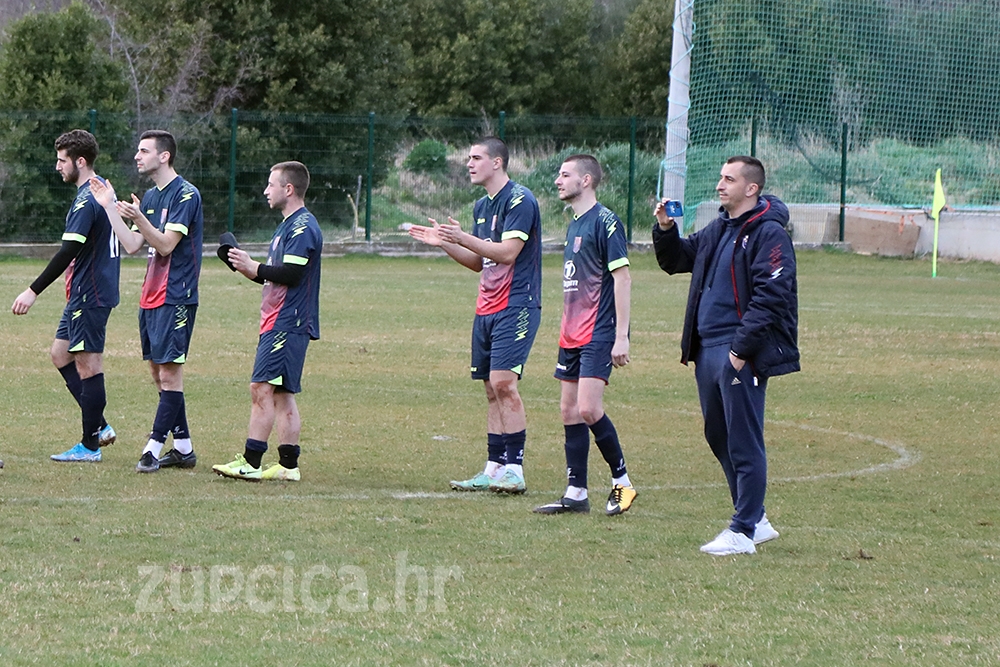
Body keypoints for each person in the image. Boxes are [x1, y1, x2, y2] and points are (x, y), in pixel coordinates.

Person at [653, 155, 798, 556]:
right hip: (707, 349)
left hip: (738, 352)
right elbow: (678, 260)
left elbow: (773, 295)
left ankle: (742, 530)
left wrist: (740, 350)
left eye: (729, 179)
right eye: (720, 177)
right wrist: (666, 229)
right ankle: (757, 520)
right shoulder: (719, 227)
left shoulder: (769, 233)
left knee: (743, 440)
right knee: (718, 435)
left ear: (751, 188)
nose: (720, 185)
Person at [408, 137, 542, 494]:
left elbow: (508, 253)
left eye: (476, 157)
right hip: (487, 307)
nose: (469, 163)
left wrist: (462, 236)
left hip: (517, 304)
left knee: (504, 383)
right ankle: (493, 468)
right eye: (469, 157)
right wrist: (445, 242)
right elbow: (479, 261)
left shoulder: (520, 200)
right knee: (490, 389)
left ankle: (515, 470)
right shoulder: (482, 206)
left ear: (497, 162)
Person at [89, 130, 203, 473]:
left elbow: (166, 245)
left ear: (164, 156)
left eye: (144, 151)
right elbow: (132, 245)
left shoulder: (186, 194)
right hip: (151, 295)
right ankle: (183, 448)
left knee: (169, 373)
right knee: (158, 373)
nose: (137, 156)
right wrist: (109, 207)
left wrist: (139, 217)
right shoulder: (152, 196)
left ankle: (152, 448)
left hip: (176, 295)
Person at [533, 155, 638, 516]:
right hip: (571, 332)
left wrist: (621, 336)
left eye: (565, 174)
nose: (558, 180)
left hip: (598, 330)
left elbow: (623, 278)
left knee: (589, 408)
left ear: (587, 180)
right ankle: (576, 492)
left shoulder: (606, 222)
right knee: (569, 410)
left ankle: (623, 483)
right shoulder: (574, 224)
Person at [11, 129, 119, 462]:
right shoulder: (100, 189)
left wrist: (33, 290)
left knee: (88, 365)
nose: (58, 166)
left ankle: (90, 446)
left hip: (91, 292)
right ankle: (100, 426)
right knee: (60, 354)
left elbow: (68, 250)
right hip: (86, 292)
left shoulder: (89, 199)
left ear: (80, 161)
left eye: (62, 160)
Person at [212, 161, 322, 481]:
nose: (265, 191)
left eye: (271, 185)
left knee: (261, 387)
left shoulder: (302, 226)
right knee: (281, 394)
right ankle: (288, 466)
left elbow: (292, 274)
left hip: (287, 321)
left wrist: (255, 266)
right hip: (281, 319)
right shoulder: (287, 226)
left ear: (288, 189)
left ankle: (251, 462)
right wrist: (245, 267)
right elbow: (275, 276)